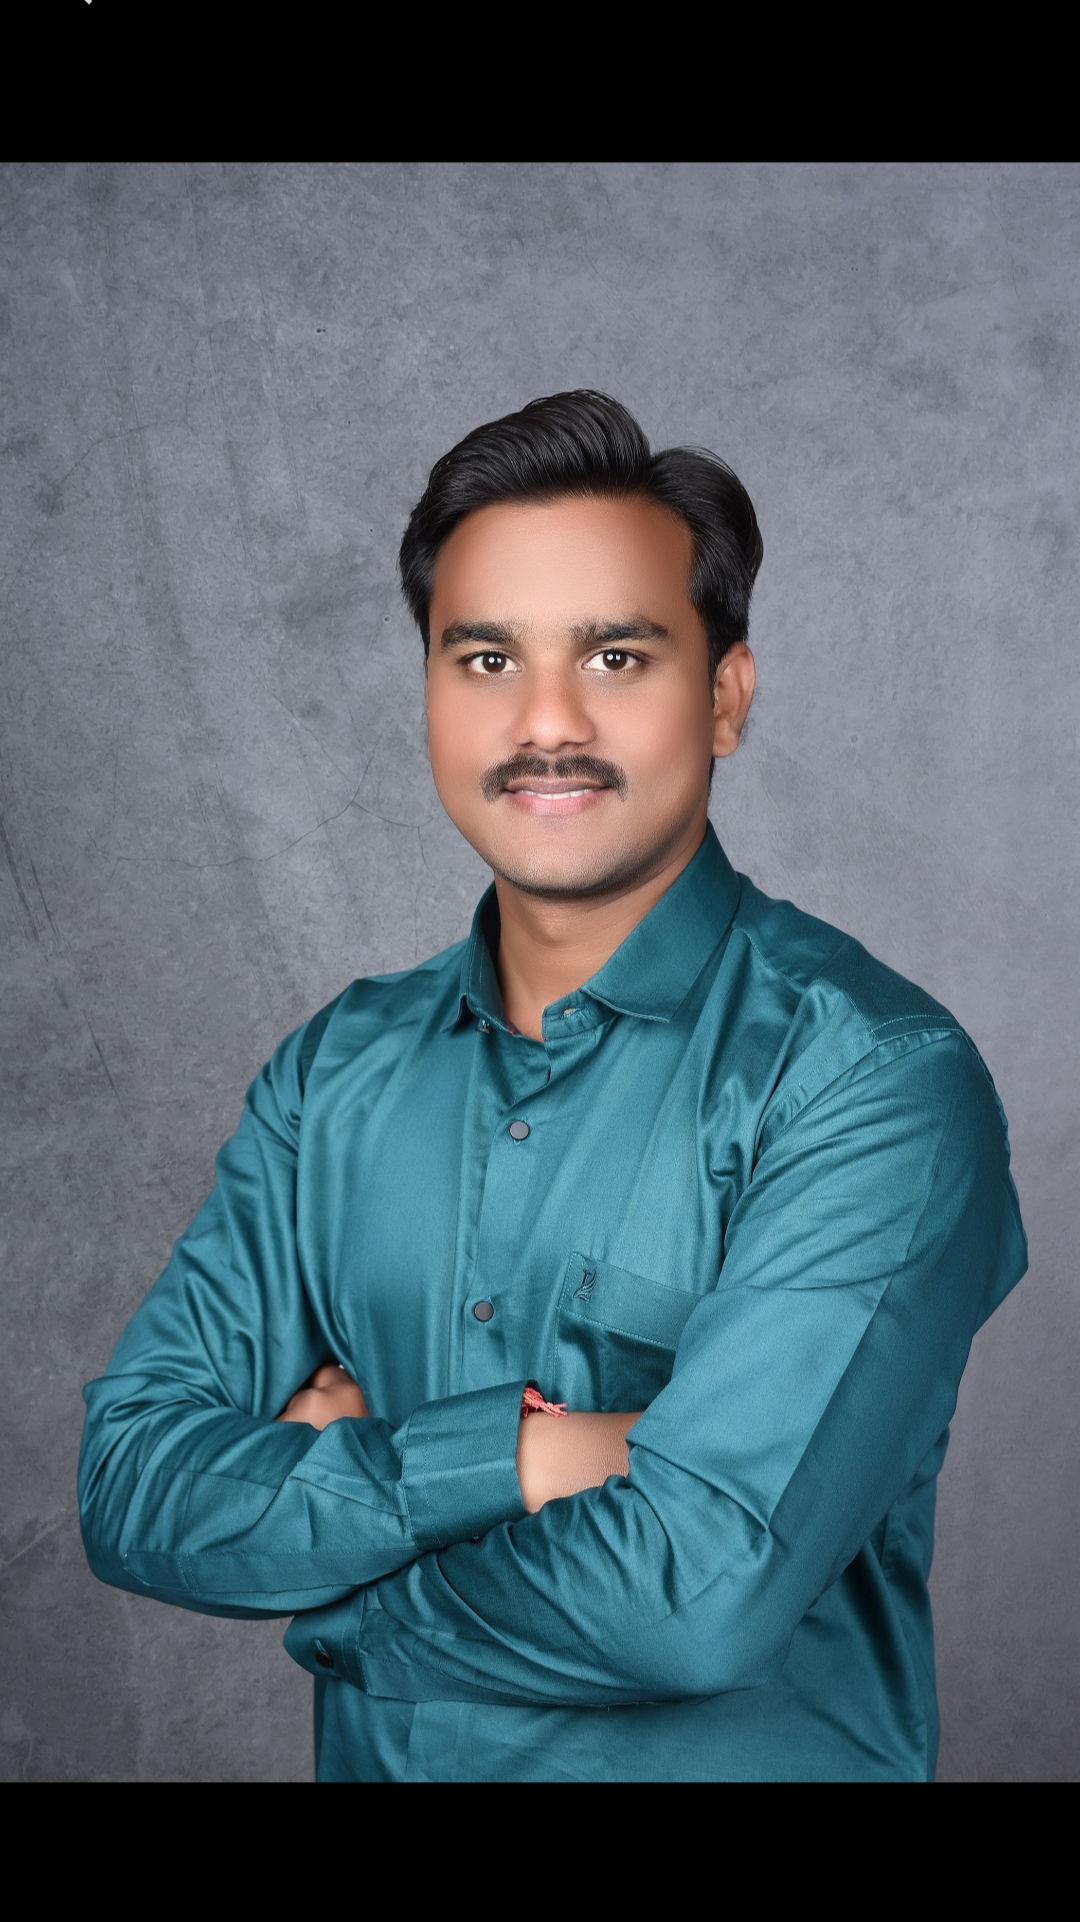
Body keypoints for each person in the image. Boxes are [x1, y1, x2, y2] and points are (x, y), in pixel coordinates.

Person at [79, 391, 1026, 1782]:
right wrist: (527, 1456)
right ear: (427, 694)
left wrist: (338, 1590)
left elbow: (696, 1593)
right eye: (485, 658)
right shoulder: (333, 1074)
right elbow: (130, 1487)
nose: (545, 722)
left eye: (616, 656)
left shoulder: (868, 1083)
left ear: (724, 697)